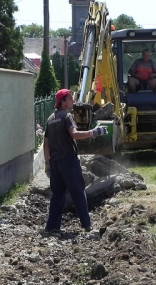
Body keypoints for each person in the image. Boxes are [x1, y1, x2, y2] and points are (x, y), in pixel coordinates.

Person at [43, 89, 108, 233]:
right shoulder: (67, 116)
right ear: (63, 102)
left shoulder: (50, 119)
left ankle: (51, 226)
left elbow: (45, 143)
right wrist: (93, 132)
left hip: (54, 163)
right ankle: (87, 225)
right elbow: (74, 134)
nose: (72, 101)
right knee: (78, 191)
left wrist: (47, 163)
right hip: (68, 161)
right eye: (70, 99)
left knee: (58, 194)